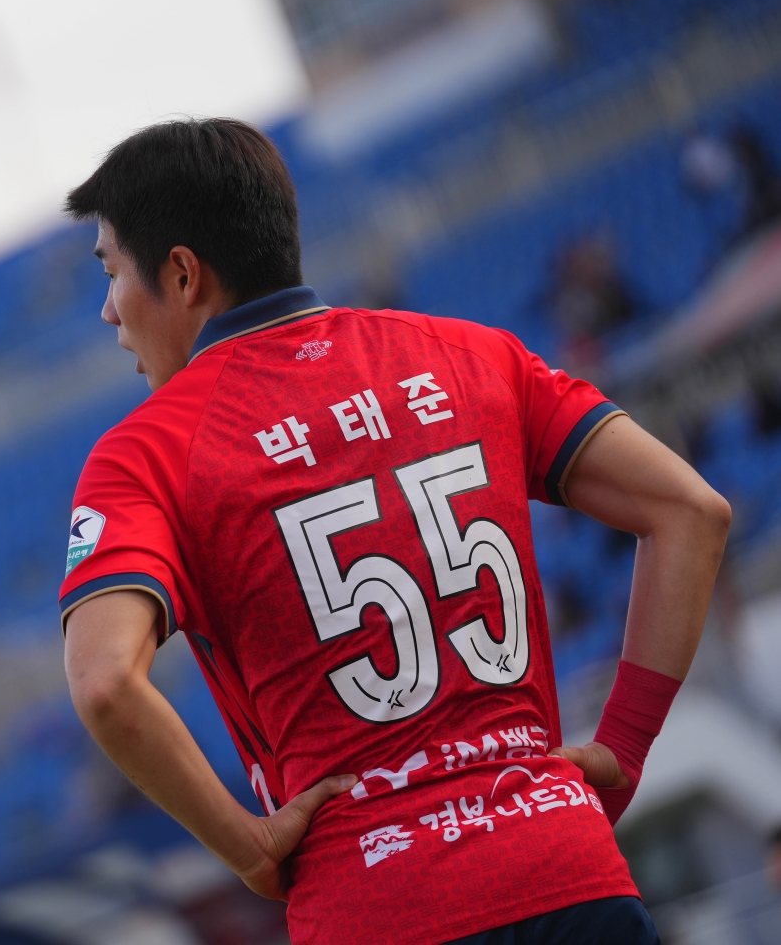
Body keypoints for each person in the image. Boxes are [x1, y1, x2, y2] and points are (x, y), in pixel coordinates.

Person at [57, 119, 731, 945]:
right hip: (567, 870)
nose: (108, 310)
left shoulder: (146, 454)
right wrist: (622, 744)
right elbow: (691, 510)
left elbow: (104, 683)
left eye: (112, 272)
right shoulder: (473, 355)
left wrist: (249, 847)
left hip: (376, 903)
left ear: (183, 274)